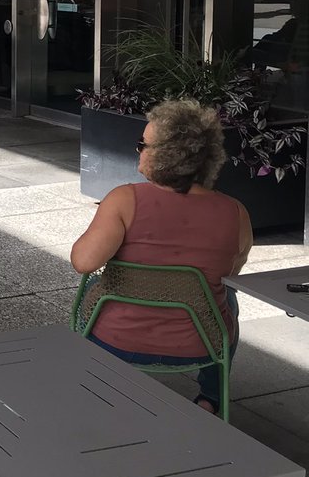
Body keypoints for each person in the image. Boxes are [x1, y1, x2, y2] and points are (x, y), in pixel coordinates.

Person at [70, 99, 252, 416]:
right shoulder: (235, 212)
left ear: (165, 155)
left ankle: (93, 385)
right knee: (228, 298)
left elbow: (83, 262)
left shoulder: (124, 199)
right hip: (200, 344)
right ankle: (211, 397)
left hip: (116, 340)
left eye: (143, 144)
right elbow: (232, 272)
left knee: (93, 285)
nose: (138, 149)